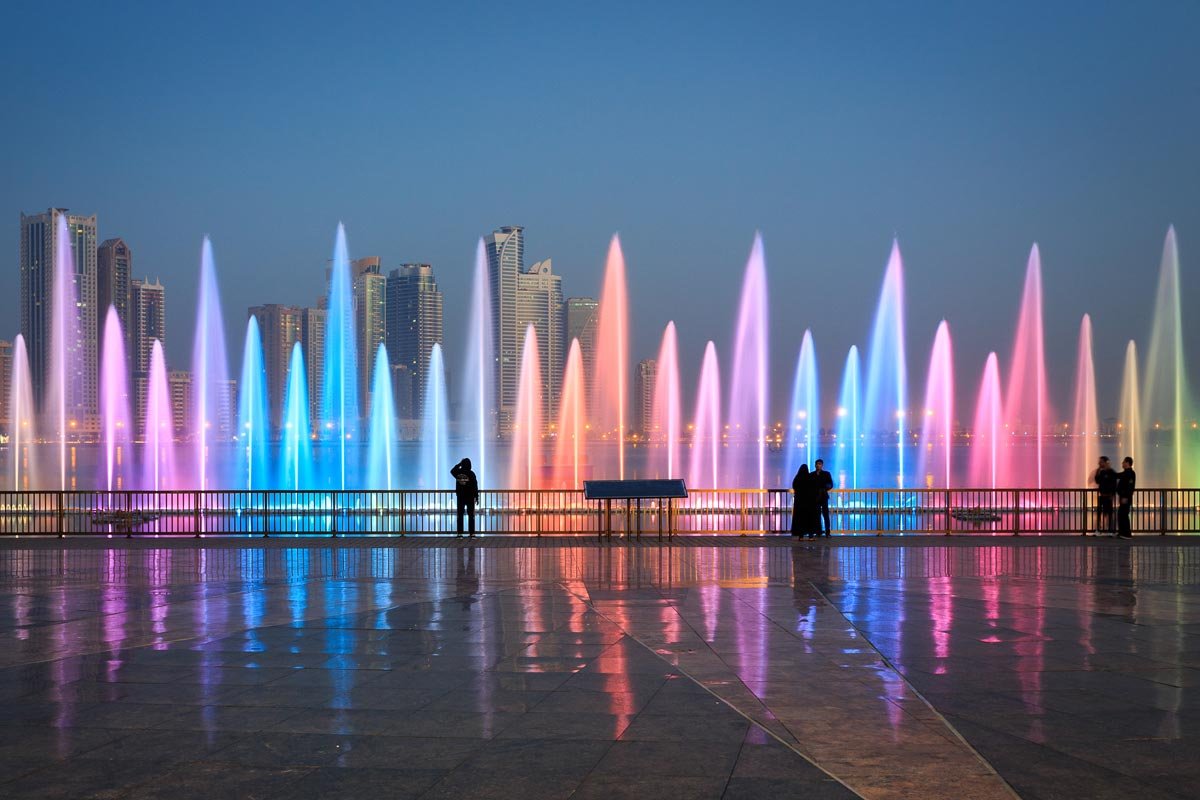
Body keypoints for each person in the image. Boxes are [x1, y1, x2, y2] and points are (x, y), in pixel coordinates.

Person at [450, 458, 479, 537]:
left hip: (461, 497)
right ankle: (472, 533)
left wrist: (459, 464)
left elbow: (452, 471)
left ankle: (460, 533)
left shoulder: (458, 472)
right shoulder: (471, 473)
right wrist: (476, 496)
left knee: (460, 515)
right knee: (471, 516)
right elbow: (475, 485)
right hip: (470, 497)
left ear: (462, 464)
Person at [791, 464, 821, 538]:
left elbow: (794, 486)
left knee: (800, 518)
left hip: (799, 502)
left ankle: (800, 535)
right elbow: (814, 488)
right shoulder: (810, 478)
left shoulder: (797, 478)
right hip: (808, 502)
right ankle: (810, 535)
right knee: (809, 518)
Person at [1090, 456, 1117, 535]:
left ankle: (1110, 530)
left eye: (1101, 462)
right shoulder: (1101, 472)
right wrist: (1098, 471)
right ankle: (1098, 530)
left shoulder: (1111, 472)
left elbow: (1114, 484)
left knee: (1109, 513)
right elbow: (1098, 481)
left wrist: (1112, 494)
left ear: (1105, 462)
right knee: (1099, 513)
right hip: (1102, 496)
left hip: (1108, 496)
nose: (1099, 463)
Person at [813, 458, 834, 537]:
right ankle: (818, 531)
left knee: (825, 515)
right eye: (817, 464)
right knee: (817, 515)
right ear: (815, 465)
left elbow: (830, 484)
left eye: (820, 464)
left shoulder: (826, 474)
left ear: (822, 465)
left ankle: (827, 532)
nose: (818, 465)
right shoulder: (812, 474)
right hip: (815, 497)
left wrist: (824, 488)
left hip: (823, 496)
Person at [1116, 456, 1136, 539]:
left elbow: (1130, 487)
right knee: (1121, 514)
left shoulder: (1130, 473)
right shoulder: (1126, 473)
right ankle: (1122, 533)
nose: (1122, 463)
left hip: (1126, 498)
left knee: (1124, 514)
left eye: (1123, 462)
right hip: (1123, 497)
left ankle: (1127, 534)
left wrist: (1125, 497)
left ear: (1127, 463)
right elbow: (1117, 475)